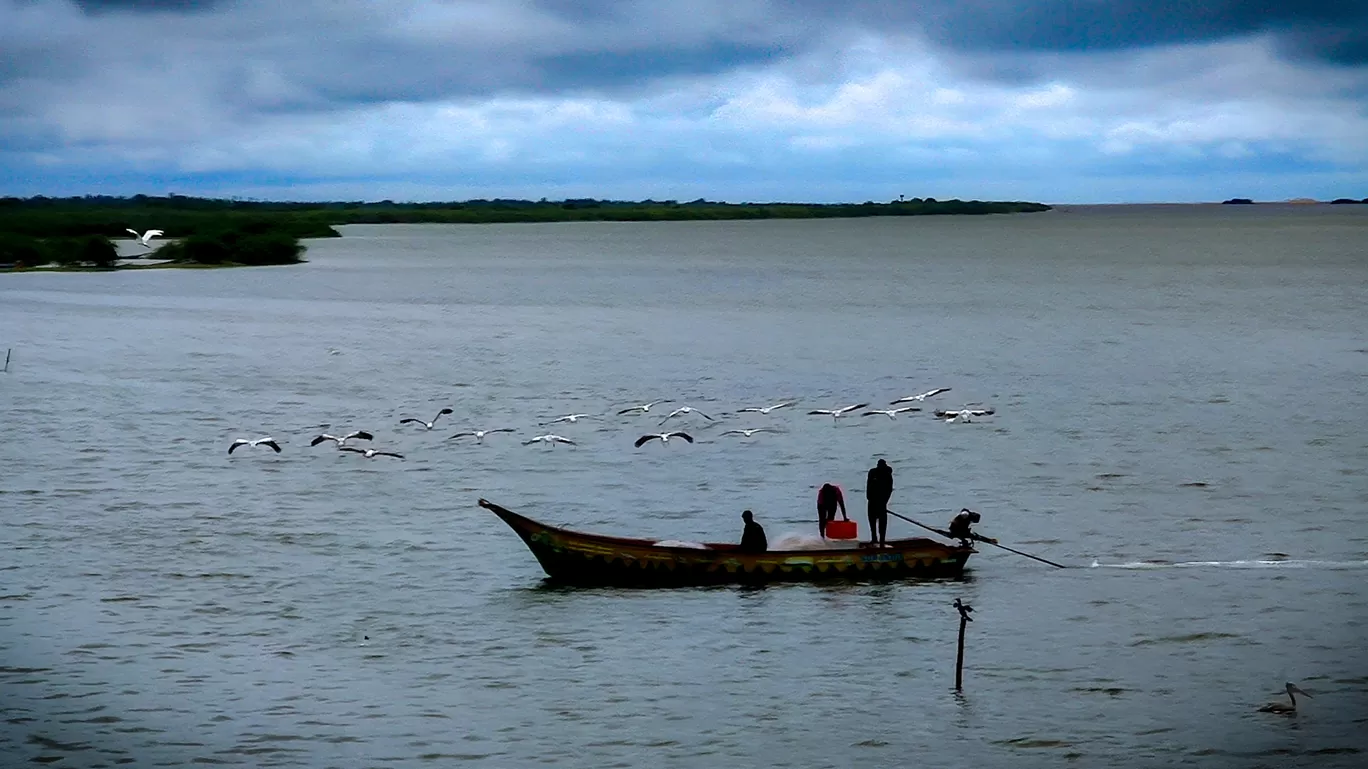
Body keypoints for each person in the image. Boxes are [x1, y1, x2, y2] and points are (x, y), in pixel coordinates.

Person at [865, 459, 893, 545]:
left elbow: (889, 490)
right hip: (872, 501)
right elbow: (868, 485)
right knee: (872, 521)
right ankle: (874, 539)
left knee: (882, 523)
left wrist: (884, 502)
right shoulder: (872, 472)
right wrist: (869, 498)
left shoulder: (888, 475)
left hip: (881, 502)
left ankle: (882, 540)